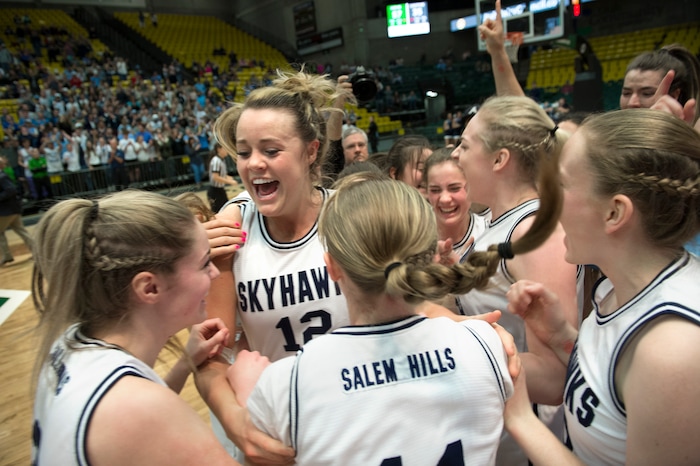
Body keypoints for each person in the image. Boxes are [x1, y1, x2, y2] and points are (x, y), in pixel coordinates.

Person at [226, 177, 516, 465]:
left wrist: (250, 398)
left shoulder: (287, 384)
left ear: (332, 267)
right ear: (430, 258)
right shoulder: (486, 343)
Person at [505, 109, 700, 465]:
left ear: (614, 213)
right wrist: (562, 337)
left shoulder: (672, 349)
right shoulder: (617, 290)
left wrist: (520, 420)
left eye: (562, 186)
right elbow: (613, 394)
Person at [194, 69, 351, 464]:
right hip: (277, 426)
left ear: (311, 151)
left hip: (356, 415)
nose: (254, 164)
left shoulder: (349, 213)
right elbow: (212, 355)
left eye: (271, 150)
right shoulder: (233, 225)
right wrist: (236, 424)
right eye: (244, 152)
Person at [30, 190, 242, 465]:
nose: (215, 273)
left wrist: (184, 364)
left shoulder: (69, 340)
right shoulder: (137, 408)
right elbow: (138, 415)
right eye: (204, 264)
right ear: (149, 287)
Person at [451, 95, 580, 466]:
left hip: (532, 441)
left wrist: (447, 358)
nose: (456, 155)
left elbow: (557, 377)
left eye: (464, 144)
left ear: (499, 159)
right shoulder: (502, 222)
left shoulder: (534, 231)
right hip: (500, 428)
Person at [0, 155, 32, 266]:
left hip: (6, 211)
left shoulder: (1, 177)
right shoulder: (3, 175)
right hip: (13, 209)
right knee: (21, 231)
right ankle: (36, 251)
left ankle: (7, 256)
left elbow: (11, 190)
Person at [207, 142, 238, 213]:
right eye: (225, 148)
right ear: (219, 149)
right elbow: (215, 177)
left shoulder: (221, 160)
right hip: (215, 191)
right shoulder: (216, 160)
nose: (227, 150)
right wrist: (229, 182)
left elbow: (221, 174)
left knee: (226, 209)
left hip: (220, 190)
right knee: (217, 212)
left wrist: (228, 177)